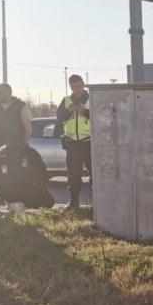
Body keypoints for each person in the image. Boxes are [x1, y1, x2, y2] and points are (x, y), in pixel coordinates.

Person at [57, 74, 92, 209]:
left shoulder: (92, 99)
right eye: (73, 87)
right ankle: (74, 202)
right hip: (72, 143)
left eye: (78, 86)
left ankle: (98, 202)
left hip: (88, 142)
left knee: (95, 173)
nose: (76, 90)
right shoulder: (66, 100)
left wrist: (84, 111)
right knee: (73, 174)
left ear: (83, 84)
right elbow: (60, 118)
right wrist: (68, 110)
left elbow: (99, 117)